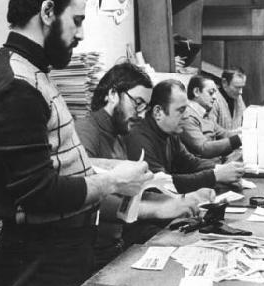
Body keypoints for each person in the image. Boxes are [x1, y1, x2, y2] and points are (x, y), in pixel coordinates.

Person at [0, 0, 152, 286]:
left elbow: (53, 165)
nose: (81, 34)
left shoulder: (31, 73)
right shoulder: (16, 84)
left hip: (56, 253)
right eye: (77, 21)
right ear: (48, 11)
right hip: (40, 261)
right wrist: (112, 181)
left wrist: (101, 171)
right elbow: (39, 194)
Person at [75, 63, 212, 268]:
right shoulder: (85, 134)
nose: (140, 114)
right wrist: (158, 209)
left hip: (115, 246)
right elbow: (87, 201)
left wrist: (179, 200)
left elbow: (132, 191)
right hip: (93, 256)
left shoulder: (120, 133)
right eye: (137, 103)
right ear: (113, 94)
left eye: (144, 107)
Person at [124, 79, 245, 193]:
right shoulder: (139, 138)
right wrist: (215, 175)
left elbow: (190, 163)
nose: (186, 116)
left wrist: (225, 170)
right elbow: (162, 184)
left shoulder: (171, 132)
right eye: (181, 110)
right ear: (158, 112)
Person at [180, 75, 242, 159]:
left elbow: (224, 134)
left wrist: (245, 133)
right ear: (196, 92)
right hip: (203, 167)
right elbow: (204, 148)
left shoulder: (205, 115)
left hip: (214, 163)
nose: (215, 97)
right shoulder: (187, 117)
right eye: (211, 93)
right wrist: (239, 139)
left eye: (215, 93)